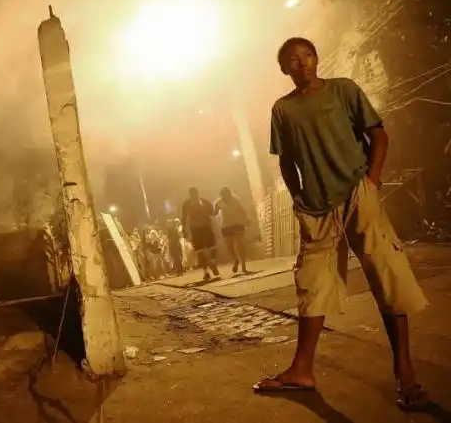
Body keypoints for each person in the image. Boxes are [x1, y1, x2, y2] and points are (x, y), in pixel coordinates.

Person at [253, 37, 429, 410]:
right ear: (284, 69)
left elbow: (378, 134)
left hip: (357, 194)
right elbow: (285, 160)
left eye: (307, 56)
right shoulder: (282, 110)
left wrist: (372, 180)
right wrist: (298, 195)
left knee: (387, 276)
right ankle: (302, 370)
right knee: (312, 285)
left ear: (316, 58)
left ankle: (406, 372)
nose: (302, 64)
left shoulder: (344, 90)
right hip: (316, 207)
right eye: (292, 61)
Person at [181, 187, 220, 281]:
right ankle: (212, 262)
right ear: (198, 193)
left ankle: (206, 272)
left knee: (200, 252)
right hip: (206, 227)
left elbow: (183, 218)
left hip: (195, 230)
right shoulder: (205, 202)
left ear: (190, 194)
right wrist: (217, 208)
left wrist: (184, 230)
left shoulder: (186, 204)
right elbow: (213, 213)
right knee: (212, 247)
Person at [216, 187, 250, 274]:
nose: (226, 197)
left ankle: (243, 265)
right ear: (222, 196)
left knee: (240, 246)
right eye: (224, 196)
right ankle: (236, 260)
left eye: (228, 195)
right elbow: (214, 213)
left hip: (237, 224)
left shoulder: (235, 199)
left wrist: (245, 219)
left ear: (230, 194)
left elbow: (242, 210)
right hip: (226, 226)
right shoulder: (219, 202)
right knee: (230, 248)